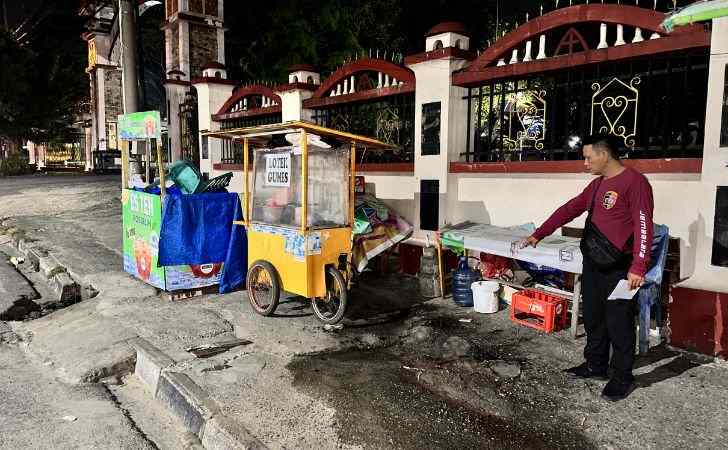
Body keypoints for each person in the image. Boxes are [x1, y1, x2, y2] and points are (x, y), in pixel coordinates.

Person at [520, 134, 654, 402]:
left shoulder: (635, 183)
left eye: (588, 157)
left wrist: (638, 266)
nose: (585, 162)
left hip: (621, 268)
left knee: (619, 323)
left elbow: (643, 226)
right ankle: (595, 365)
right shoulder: (596, 186)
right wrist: (540, 233)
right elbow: (570, 209)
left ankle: (622, 377)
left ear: (604, 155)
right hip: (593, 263)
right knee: (593, 316)